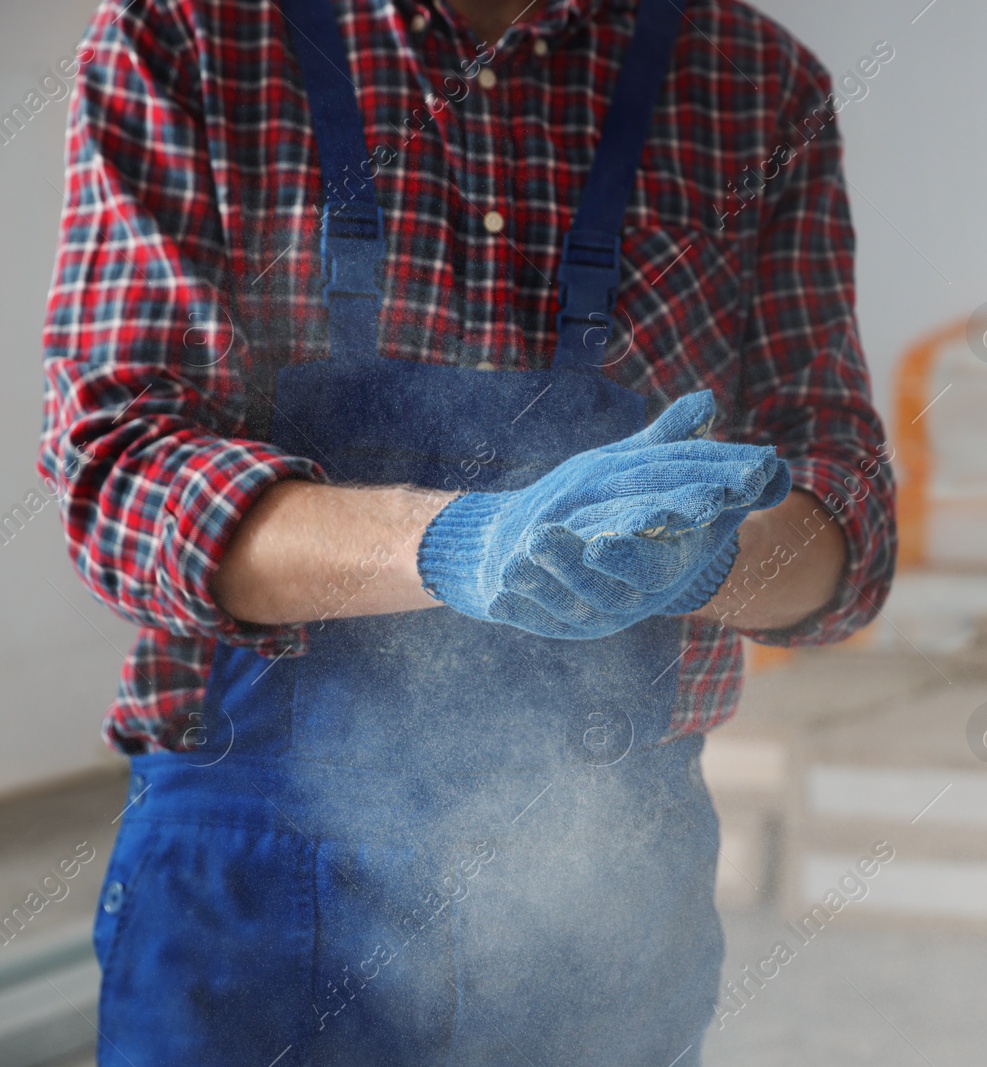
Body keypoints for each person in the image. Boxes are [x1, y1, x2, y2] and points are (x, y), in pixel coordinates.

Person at [38, 0, 896, 1062]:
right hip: (252, 884)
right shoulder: (190, 38)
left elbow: (847, 528)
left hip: (600, 890)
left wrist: (713, 556)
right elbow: (117, 479)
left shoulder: (754, 86)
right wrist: (455, 544)